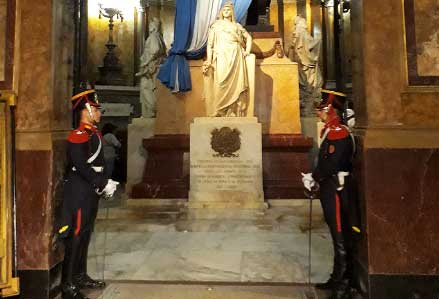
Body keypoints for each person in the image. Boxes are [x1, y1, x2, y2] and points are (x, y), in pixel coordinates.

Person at [58, 89, 119, 299]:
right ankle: (67, 284)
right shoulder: (79, 135)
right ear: (86, 110)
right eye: (96, 109)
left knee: (85, 233)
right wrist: (101, 183)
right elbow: (81, 166)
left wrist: (105, 182)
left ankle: (80, 276)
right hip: (79, 190)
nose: (99, 113)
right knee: (75, 236)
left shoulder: (93, 132)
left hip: (89, 189)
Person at [301, 91, 360, 299]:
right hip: (330, 187)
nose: (319, 114)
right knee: (336, 234)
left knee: (340, 235)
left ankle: (343, 284)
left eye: (322, 110)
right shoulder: (331, 131)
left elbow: (332, 164)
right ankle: (337, 277)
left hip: (336, 189)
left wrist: (314, 176)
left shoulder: (339, 133)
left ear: (331, 110)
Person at [203, 1, 253, 117]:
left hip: (235, 55)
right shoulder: (216, 26)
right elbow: (210, 45)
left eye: (228, 10)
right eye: (224, 10)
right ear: (221, 12)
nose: (226, 11)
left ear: (232, 12)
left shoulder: (237, 26)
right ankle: (219, 109)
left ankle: (231, 110)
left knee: (235, 84)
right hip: (221, 55)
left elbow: (248, 38)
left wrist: (247, 51)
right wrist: (209, 60)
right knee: (221, 81)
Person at [135, 17, 166, 118]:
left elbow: (155, 50)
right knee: (149, 89)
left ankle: (152, 111)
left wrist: (145, 63)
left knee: (145, 88)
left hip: (150, 68)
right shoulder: (159, 37)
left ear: (154, 26)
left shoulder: (153, 37)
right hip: (153, 67)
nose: (149, 27)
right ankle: (150, 112)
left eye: (150, 25)